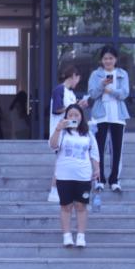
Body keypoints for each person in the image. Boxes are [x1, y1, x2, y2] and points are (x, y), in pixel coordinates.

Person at [50, 103, 99, 248]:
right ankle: (67, 235)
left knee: (81, 206)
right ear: (66, 116)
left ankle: (81, 236)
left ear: (81, 117)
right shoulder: (62, 132)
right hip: (64, 176)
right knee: (66, 206)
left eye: (76, 115)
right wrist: (58, 129)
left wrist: (97, 169)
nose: (73, 117)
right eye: (70, 115)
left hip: (83, 176)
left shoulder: (88, 134)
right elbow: (53, 145)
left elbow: (94, 152)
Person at [87, 45, 130, 192]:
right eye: (105, 58)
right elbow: (92, 94)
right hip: (100, 115)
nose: (108, 61)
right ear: (101, 60)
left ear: (115, 59)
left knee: (117, 149)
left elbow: (124, 93)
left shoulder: (122, 74)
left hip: (118, 115)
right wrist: (102, 85)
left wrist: (110, 90)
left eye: (111, 58)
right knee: (98, 148)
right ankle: (99, 179)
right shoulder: (95, 75)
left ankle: (114, 180)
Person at [46, 66, 89, 202]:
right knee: (60, 162)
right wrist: (74, 107)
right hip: (59, 132)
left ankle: (57, 191)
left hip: (69, 132)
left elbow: (70, 112)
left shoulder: (70, 93)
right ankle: (54, 191)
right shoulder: (59, 90)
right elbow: (57, 109)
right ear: (74, 76)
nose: (77, 82)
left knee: (63, 161)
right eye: (78, 79)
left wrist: (78, 106)